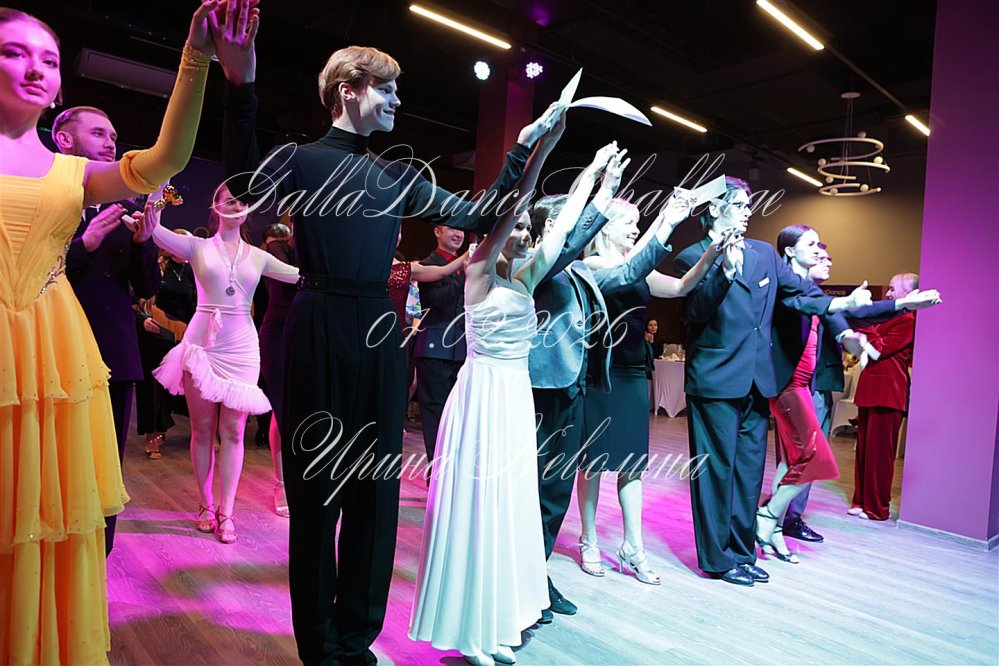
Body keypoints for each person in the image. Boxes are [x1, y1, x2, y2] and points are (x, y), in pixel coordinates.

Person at [214, 14, 564, 660]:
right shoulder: (301, 159)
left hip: (379, 331)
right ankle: (321, 648)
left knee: (375, 498)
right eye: (388, 88)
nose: (399, 99)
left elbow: (478, 214)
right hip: (317, 322)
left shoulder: (398, 174)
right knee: (316, 498)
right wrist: (241, 87)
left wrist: (526, 149)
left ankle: (355, 642)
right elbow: (242, 185)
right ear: (348, 89)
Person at [0, 3, 228, 661]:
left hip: (49, 351)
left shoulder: (73, 174)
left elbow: (165, 159)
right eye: (14, 52)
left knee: (43, 511)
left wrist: (197, 56)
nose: (35, 68)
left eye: (48, 59)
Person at [409, 113, 569, 666]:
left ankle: (502, 616)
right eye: (514, 227)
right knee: (480, 506)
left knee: (510, 506)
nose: (522, 235)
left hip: (514, 398)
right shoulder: (478, 269)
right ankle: (474, 628)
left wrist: (588, 173)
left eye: (526, 230)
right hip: (481, 397)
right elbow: (513, 204)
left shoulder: (524, 277)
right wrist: (537, 150)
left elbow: (560, 229)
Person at [672, 177, 872, 587]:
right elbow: (696, 312)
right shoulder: (690, 257)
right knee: (716, 472)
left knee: (748, 472)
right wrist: (723, 271)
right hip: (714, 381)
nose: (748, 212)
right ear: (715, 210)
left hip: (758, 382)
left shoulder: (763, 253)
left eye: (749, 205)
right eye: (740, 205)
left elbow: (799, 293)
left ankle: (743, 552)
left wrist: (841, 303)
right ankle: (717, 559)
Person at [574, 191, 728, 586]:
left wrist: (712, 252)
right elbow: (628, 272)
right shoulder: (592, 265)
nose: (635, 229)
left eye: (639, 224)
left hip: (632, 375)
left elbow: (680, 288)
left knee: (633, 464)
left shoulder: (638, 267)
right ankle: (589, 539)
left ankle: (633, 545)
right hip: (600, 374)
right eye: (629, 224)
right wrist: (667, 221)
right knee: (592, 463)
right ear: (605, 229)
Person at [770, 231, 942, 545]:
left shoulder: (822, 300)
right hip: (792, 388)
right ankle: (774, 519)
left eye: (825, 253)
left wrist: (903, 304)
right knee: (802, 458)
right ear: (792, 253)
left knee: (805, 458)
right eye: (816, 250)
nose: (825, 259)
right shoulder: (792, 293)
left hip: (817, 385)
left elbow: (858, 316)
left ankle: (781, 520)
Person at [151, 183, 299, 543]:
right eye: (230, 199)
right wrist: (157, 188)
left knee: (234, 432)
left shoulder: (259, 256)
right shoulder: (197, 247)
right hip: (202, 345)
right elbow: (154, 230)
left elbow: (301, 276)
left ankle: (227, 511)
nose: (237, 205)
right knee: (202, 430)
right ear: (216, 206)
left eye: (243, 200)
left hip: (242, 348)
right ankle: (205, 504)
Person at [56, 105, 163, 554]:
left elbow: (148, 287)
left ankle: (99, 552)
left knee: (105, 459)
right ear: (65, 139)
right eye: (99, 133)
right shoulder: (47, 201)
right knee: (55, 455)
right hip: (53, 350)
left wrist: (143, 243)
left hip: (114, 354)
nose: (110, 143)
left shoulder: (127, 212)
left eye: (114, 136)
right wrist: (84, 245)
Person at [851, 273, 924, 521]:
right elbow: (870, 342)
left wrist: (864, 329)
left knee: (880, 454)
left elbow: (879, 349)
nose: (888, 293)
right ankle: (860, 501)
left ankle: (877, 507)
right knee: (863, 450)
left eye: (893, 289)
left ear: (908, 294)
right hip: (870, 387)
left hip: (889, 390)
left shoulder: (908, 319)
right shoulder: (887, 318)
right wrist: (867, 332)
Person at [136, 229, 198, 459]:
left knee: (195, 382)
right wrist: (143, 320)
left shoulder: (193, 271)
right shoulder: (157, 268)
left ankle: (206, 432)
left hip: (187, 334)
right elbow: (138, 298)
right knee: (153, 386)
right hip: (158, 333)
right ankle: (152, 434)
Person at [413, 225, 471, 462]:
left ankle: (454, 475)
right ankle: (436, 473)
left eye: (462, 230)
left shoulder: (469, 266)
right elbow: (441, 301)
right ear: (437, 232)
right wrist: (465, 270)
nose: (459, 234)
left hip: (464, 350)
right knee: (436, 417)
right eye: (452, 229)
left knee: (461, 417)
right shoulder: (428, 265)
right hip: (434, 350)